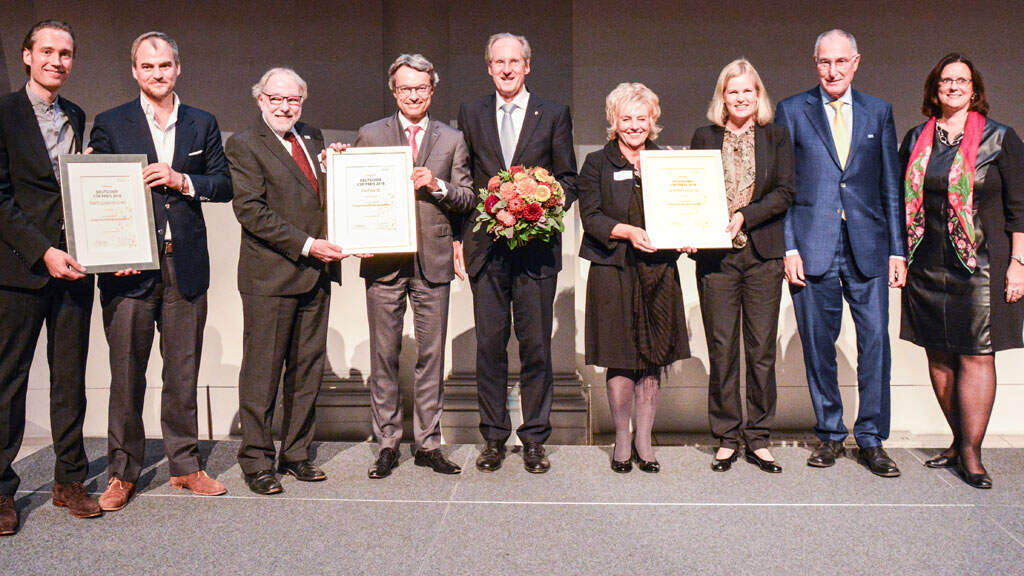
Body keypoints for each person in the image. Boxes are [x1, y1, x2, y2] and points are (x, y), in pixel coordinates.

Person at [89, 31, 232, 511]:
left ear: (178, 68)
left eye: (165, 65)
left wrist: (182, 180)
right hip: (128, 269)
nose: (157, 73)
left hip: (185, 264)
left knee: (183, 371)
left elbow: (224, 183)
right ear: (135, 71)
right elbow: (95, 191)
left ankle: (186, 466)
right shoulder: (110, 123)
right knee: (126, 373)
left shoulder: (202, 122)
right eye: (148, 66)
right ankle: (122, 473)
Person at [775, 29, 906, 477]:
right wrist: (788, 245)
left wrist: (898, 250)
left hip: (869, 248)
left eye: (841, 62)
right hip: (812, 247)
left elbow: (892, 186)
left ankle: (871, 438)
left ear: (856, 62)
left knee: (875, 345)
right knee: (817, 344)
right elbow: (784, 189)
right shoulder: (792, 111)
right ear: (815, 63)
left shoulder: (879, 111)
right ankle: (829, 433)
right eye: (824, 62)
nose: (833, 70)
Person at [899, 53, 1024, 489]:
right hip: (926, 263)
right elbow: (901, 202)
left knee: (975, 354)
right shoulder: (917, 138)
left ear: (974, 89)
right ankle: (957, 439)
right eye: (945, 80)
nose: (953, 86)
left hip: (982, 265)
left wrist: (1019, 264)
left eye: (961, 80)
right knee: (938, 353)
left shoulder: (1000, 138)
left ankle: (971, 453)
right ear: (935, 89)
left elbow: (1019, 209)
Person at [457, 33, 577, 473]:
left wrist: (542, 204)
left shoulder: (555, 114)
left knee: (535, 348)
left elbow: (570, 179)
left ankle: (534, 439)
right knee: (489, 346)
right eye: (498, 62)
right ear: (489, 67)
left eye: (514, 61)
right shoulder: (470, 113)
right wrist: (458, 238)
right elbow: (464, 180)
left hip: (536, 253)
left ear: (527, 66)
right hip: (487, 251)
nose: (506, 69)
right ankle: (492, 438)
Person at [0, 20, 100, 534]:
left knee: (70, 381)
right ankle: (0, 490)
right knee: (8, 382)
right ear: (26, 56)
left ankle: (69, 481)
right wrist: (43, 251)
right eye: (46, 51)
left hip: (75, 272)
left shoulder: (76, 116)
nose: (56, 61)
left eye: (65, 53)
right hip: (19, 271)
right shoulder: (4, 112)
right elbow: (1, 200)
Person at [355, 54, 475, 479]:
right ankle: (387, 443)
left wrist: (437, 185)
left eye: (420, 88)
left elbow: (467, 197)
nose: (413, 95)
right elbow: (354, 195)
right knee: (384, 355)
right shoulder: (369, 135)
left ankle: (427, 443)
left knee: (431, 355)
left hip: (433, 261)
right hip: (384, 262)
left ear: (432, 90)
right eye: (405, 88)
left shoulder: (452, 138)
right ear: (393, 90)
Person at [227, 68, 343, 495]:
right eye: (276, 99)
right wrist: (310, 244)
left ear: (302, 102)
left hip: (315, 276)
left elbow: (325, 196)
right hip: (270, 277)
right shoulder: (242, 143)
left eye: (292, 100)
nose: (284, 107)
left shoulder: (311, 138)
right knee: (262, 374)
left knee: (306, 371)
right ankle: (257, 460)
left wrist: (340, 167)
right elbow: (251, 212)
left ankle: (296, 454)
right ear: (260, 99)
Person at [577, 83, 690, 473]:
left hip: (658, 271)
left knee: (652, 358)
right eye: (626, 118)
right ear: (613, 120)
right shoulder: (596, 163)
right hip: (612, 271)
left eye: (642, 118)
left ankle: (645, 440)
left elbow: (685, 212)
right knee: (620, 359)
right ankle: (622, 439)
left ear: (653, 120)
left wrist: (689, 235)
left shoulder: (669, 160)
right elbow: (590, 217)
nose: (634, 125)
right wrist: (626, 231)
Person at [690, 59, 794, 473]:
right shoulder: (704, 136)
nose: (741, 98)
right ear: (722, 97)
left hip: (762, 254)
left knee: (761, 350)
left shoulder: (777, 136)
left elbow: (786, 192)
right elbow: (691, 192)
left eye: (748, 91)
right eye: (733, 91)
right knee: (722, 348)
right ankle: (727, 436)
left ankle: (759, 436)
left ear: (758, 95)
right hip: (716, 257)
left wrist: (745, 216)